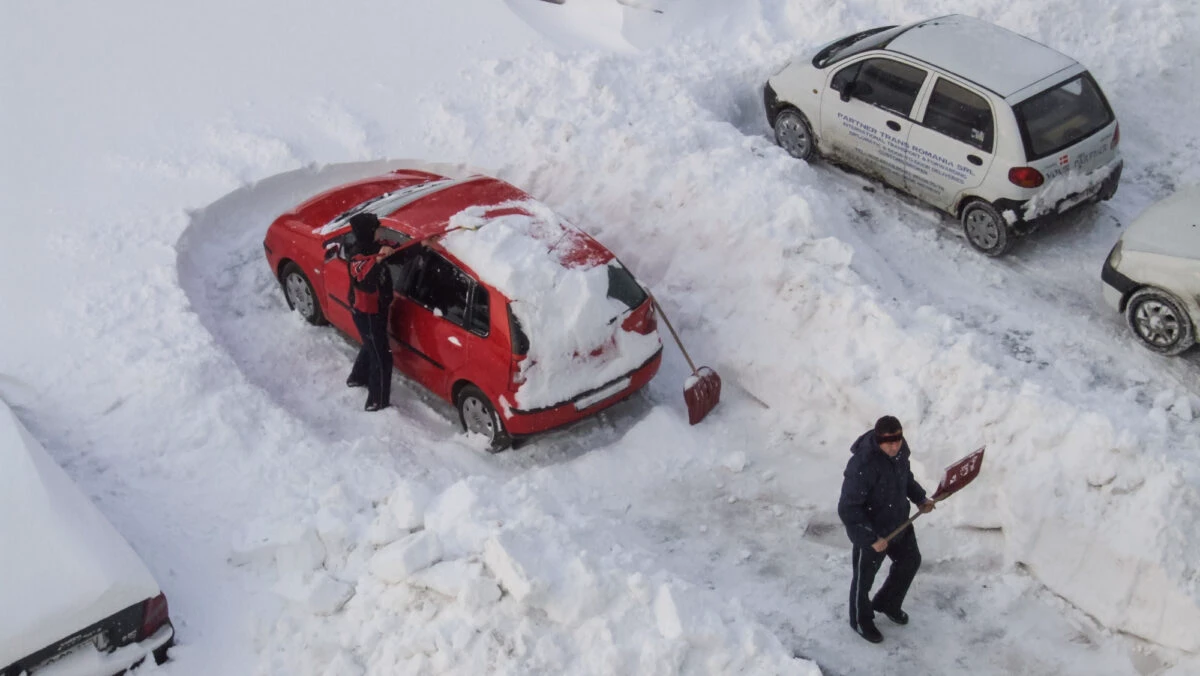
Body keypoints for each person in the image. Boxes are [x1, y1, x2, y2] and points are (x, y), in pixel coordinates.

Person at [838, 415, 936, 643]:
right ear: (879, 440)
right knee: (863, 581)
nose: (895, 446)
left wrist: (920, 498)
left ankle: (888, 602)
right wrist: (870, 537)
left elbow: (905, 479)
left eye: (898, 440)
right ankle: (860, 620)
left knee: (910, 561)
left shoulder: (901, 452)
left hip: (899, 521)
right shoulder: (862, 465)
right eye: (889, 443)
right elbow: (848, 508)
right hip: (873, 531)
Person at [344, 213, 396, 411]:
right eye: (377, 228)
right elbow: (365, 280)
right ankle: (377, 401)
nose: (381, 231)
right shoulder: (358, 257)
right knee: (382, 357)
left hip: (376, 310)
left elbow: (398, 250)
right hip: (367, 313)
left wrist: (422, 245)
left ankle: (357, 377)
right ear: (369, 232)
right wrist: (379, 260)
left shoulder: (375, 247)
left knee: (371, 344)